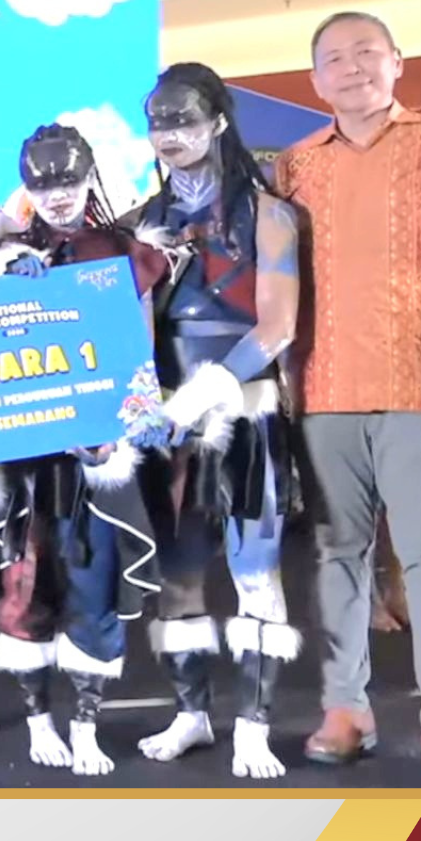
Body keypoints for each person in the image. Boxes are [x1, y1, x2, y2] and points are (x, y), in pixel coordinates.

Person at [275, 12, 421, 788]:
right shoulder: (295, 167)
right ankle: (345, 710)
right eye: (334, 58)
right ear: (316, 80)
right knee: (335, 556)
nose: (352, 67)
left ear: (397, 62)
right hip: (323, 389)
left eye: (367, 52)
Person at [0, 124, 170, 776]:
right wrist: (3, 283)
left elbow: (140, 351)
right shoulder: (4, 255)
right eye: (42, 182)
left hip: (96, 452)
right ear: (26, 187)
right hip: (27, 458)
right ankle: (37, 720)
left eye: (67, 180)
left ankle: (85, 726)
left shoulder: (122, 252)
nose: (56, 194)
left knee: (94, 584)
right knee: (25, 585)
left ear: (89, 178)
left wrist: (128, 421)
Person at [126, 64, 302, 780]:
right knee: (178, 578)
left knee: (255, 573)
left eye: (185, 119)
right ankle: (190, 714)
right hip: (167, 426)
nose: (170, 134)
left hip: (244, 414)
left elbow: (279, 326)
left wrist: (205, 393)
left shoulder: (269, 215)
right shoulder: (141, 221)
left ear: (219, 122)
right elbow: (127, 326)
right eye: (158, 122)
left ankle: (254, 728)